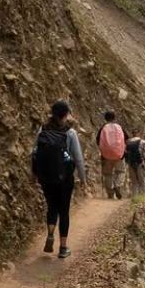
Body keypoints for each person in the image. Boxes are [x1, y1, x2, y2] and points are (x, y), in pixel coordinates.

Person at [32, 100, 86, 259]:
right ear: (66, 114)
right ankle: (63, 248)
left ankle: (50, 234)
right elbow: (78, 158)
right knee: (64, 211)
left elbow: (34, 153)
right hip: (65, 178)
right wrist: (83, 179)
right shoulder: (70, 133)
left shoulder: (43, 129)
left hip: (46, 177)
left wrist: (34, 174)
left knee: (51, 207)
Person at [96, 110, 127, 199]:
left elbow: (98, 140)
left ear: (105, 118)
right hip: (119, 155)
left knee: (108, 174)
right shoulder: (119, 127)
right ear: (114, 118)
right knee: (121, 172)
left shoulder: (103, 128)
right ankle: (117, 184)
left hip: (106, 156)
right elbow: (126, 139)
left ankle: (110, 193)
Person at [125, 129, 145, 197]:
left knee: (134, 181)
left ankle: (134, 196)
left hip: (131, 163)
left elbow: (125, 152)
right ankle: (143, 196)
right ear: (138, 134)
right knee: (141, 180)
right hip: (140, 162)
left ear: (132, 134)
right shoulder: (142, 142)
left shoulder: (128, 142)